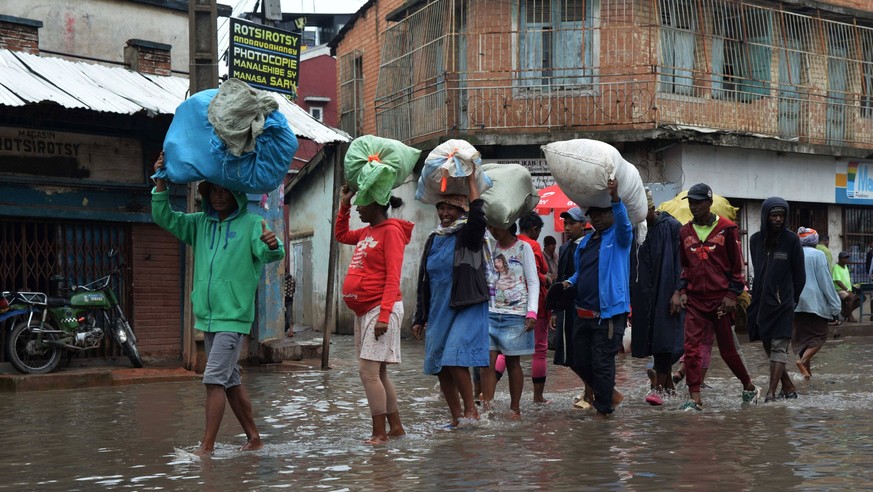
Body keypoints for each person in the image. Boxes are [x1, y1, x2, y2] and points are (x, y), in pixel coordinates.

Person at [151, 152, 284, 456]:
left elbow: (268, 255)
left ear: (235, 194)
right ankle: (254, 438)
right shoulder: (198, 224)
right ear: (207, 194)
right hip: (208, 317)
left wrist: (274, 247)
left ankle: (207, 447)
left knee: (213, 380)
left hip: (233, 318)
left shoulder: (252, 224)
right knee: (230, 381)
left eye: (225, 190)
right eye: (214, 190)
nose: (220, 196)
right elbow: (165, 218)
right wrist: (160, 184)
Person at [335, 184, 414, 444]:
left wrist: (384, 315)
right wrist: (344, 204)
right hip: (366, 309)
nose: (358, 207)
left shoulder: (391, 232)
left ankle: (379, 433)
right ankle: (396, 428)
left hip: (381, 308)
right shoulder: (369, 230)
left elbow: (393, 276)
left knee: (368, 372)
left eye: (361, 202)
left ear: (377, 204)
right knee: (378, 374)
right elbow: (341, 234)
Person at [670, 183, 759, 411]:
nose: (694, 207)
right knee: (691, 349)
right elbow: (685, 267)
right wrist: (681, 291)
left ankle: (748, 386)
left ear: (709, 203)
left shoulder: (728, 230)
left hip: (721, 301)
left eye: (699, 202)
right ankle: (695, 397)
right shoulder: (684, 232)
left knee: (728, 351)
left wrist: (732, 295)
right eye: (691, 203)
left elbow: (736, 268)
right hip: (695, 301)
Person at [412, 173, 489, 428]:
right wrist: (419, 317)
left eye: (451, 209)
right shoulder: (435, 238)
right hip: (438, 309)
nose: (445, 213)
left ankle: (471, 411)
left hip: (466, 304)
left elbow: (478, 216)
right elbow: (425, 280)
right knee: (439, 365)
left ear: (462, 210)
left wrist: (471, 182)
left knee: (454, 358)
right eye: (441, 208)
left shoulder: (468, 235)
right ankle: (456, 417)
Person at [560, 178, 631, 419]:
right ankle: (609, 394)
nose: (597, 218)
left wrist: (615, 199)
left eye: (602, 214)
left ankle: (604, 412)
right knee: (579, 361)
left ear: (611, 213)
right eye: (593, 215)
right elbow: (581, 271)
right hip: (583, 312)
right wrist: (570, 281)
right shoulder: (587, 242)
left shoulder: (620, 238)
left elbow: (624, 224)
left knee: (602, 363)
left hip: (608, 313)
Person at [748, 198, 805, 403]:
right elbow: (759, 270)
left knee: (779, 347)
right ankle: (788, 385)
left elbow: (800, 275)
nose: (778, 219)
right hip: (761, 303)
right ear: (766, 216)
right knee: (767, 345)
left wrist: (790, 298)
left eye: (781, 215)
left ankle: (771, 393)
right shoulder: (755, 240)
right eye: (774, 215)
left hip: (783, 303)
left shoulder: (792, 240)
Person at [630, 189, 683, 406]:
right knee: (652, 340)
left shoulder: (671, 227)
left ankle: (659, 388)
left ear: (651, 207)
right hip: (645, 294)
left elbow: (681, 261)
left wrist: (678, 291)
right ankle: (667, 388)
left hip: (667, 291)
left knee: (668, 340)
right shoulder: (638, 231)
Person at [480, 224, 539, 418]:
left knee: (513, 362)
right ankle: (487, 407)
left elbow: (532, 281)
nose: (493, 230)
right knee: (487, 362)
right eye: (491, 227)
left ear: (508, 226)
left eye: (497, 227)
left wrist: (532, 312)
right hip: (489, 311)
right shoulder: (489, 247)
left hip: (515, 313)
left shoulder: (524, 248)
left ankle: (515, 408)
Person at [550, 207, 593, 408]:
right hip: (567, 307)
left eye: (571, 223)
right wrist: (556, 311)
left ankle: (591, 392)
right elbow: (560, 279)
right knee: (568, 354)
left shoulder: (589, 246)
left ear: (583, 225)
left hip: (584, 306)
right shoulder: (564, 248)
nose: (567, 228)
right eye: (565, 224)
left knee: (583, 352)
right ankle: (591, 389)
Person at [795, 227, 841, 381]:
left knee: (803, 339)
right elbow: (825, 282)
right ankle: (801, 362)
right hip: (814, 303)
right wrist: (835, 306)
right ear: (815, 242)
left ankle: (806, 376)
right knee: (818, 337)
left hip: (795, 303)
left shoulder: (794, 253)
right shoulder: (818, 255)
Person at [517, 212, 551, 403]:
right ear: (534, 229)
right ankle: (538, 397)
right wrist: (546, 278)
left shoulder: (512, 242)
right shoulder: (533, 245)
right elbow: (541, 271)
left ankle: (485, 393)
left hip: (515, 303)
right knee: (540, 350)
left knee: (507, 349)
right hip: (536, 302)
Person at [833, 251, 860, 322]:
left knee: (861, 298)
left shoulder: (846, 267)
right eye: (844, 258)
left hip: (847, 290)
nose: (846, 260)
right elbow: (838, 282)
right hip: (839, 290)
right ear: (839, 258)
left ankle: (846, 312)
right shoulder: (836, 267)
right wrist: (847, 290)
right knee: (851, 297)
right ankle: (850, 317)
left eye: (847, 258)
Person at [284, 273, 296, 337]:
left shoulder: (283, 280)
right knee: (289, 315)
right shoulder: (293, 279)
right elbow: (294, 290)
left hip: (284, 300)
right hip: (290, 300)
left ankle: (285, 330)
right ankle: (291, 331)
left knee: (285, 315)